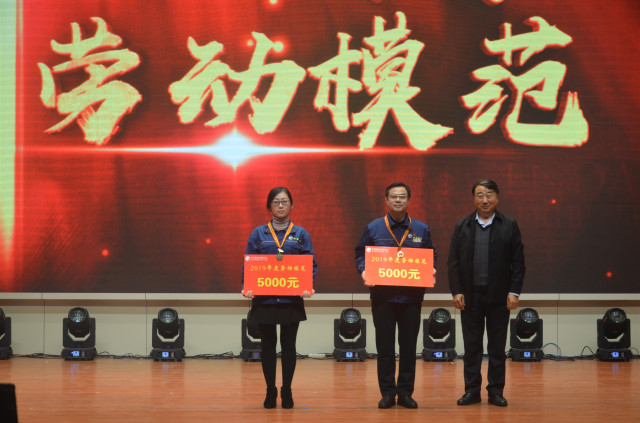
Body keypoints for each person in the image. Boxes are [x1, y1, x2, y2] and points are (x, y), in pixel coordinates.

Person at [355, 182, 437, 409]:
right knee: (385, 349)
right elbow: (360, 252)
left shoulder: (421, 228)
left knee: (409, 348)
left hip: (411, 298)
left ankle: (406, 393)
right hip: (383, 298)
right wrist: (364, 270)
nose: (398, 200)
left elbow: (431, 253)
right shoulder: (374, 228)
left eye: (402, 196)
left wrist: (431, 268)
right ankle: (388, 393)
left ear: (409, 200)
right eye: (394, 196)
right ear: (386, 200)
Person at [448, 179, 525, 407]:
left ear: (497, 198)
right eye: (480, 195)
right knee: (472, 348)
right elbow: (453, 262)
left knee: (497, 347)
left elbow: (518, 262)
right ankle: (472, 391)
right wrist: (456, 291)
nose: (484, 200)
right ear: (473, 199)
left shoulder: (509, 225)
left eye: (489, 195)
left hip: (499, 297)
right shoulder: (462, 226)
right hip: (470, 297)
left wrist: (514, 291)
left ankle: (496, 392)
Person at [242, 187, 317, 409]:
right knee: (267, 347)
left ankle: (287, 390)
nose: (281, 205)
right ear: (269, 206)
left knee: (289, 346)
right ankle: (270, 391)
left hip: (291, 299)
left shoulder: (301, 234)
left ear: (291, 205)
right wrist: (247, 287)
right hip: (264, 299)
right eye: (276, 202)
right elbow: (249, 263)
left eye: (284, 201)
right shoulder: (258, 234)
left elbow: (310, 264)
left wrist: (307, 286)